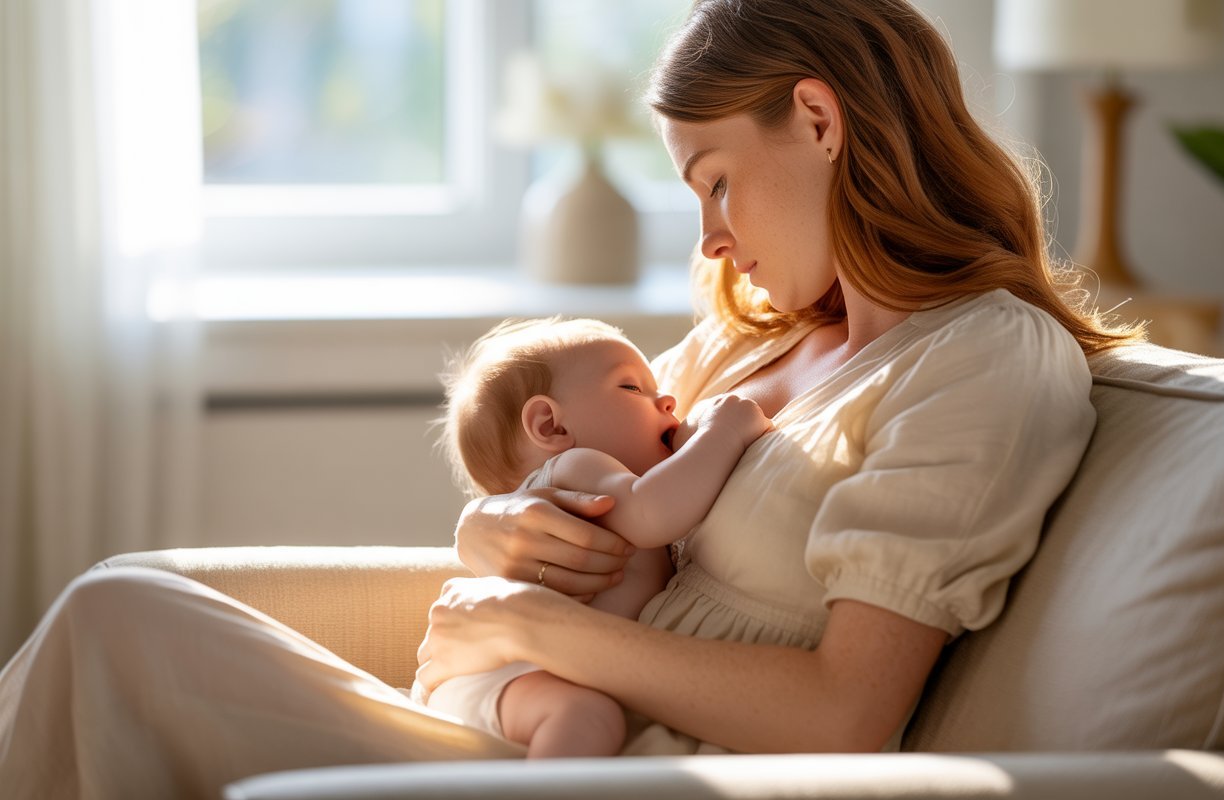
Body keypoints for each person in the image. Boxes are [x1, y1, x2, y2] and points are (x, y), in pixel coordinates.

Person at [0, 0, 1143, 795]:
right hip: (528, 721)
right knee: (126, 605)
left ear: (817, 118)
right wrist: (486, 528)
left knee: (118, 622)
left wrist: (530, 622)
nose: (712, 238)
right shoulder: (754, 345)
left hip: (614, 766)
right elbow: (578, 479)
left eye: (714, 183)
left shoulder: (982, 359)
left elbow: (842, 712)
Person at [419, 316, 771, 756]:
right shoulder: (577, 468)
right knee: (587, 717)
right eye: (631, 388)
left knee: (593, 718)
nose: (667, 401)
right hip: (507, 673)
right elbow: (654, 512)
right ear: (551, 426)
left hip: (517, 673)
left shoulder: (594, 484)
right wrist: (725, 432)